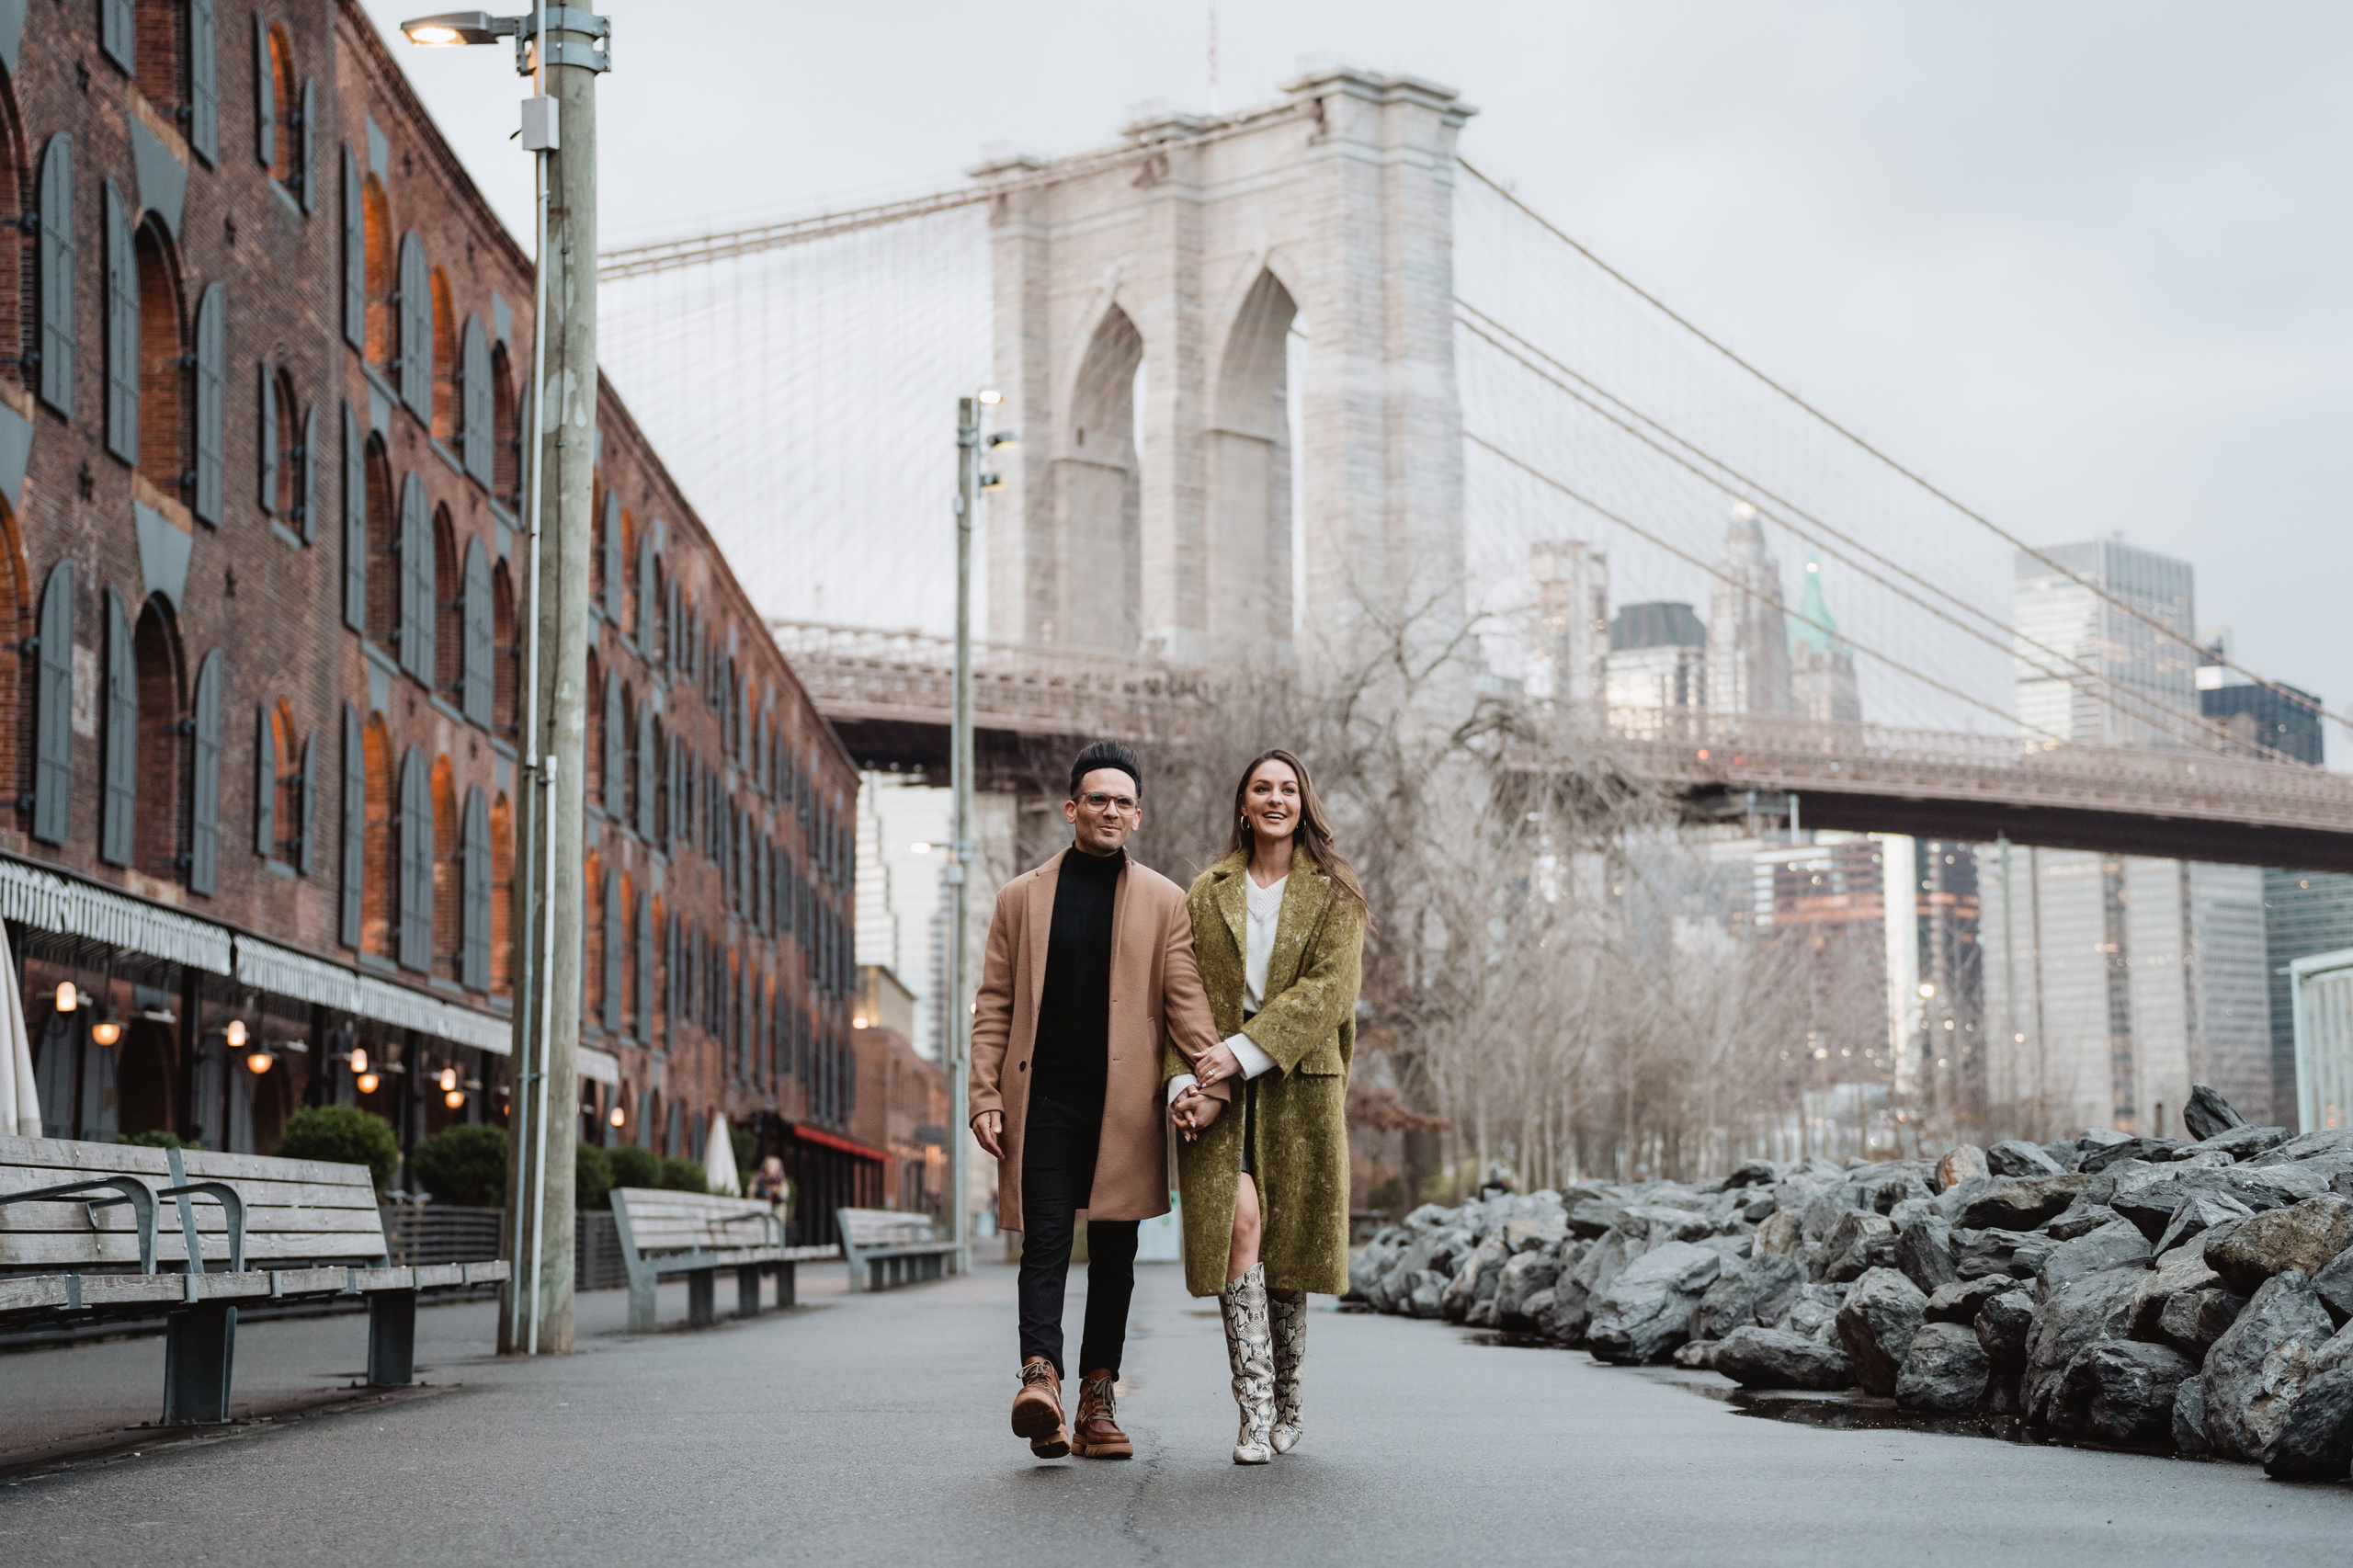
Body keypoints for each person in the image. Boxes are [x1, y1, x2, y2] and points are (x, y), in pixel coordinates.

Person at [969, 740, 1230, 1460]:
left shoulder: (1165, 901)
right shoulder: (1020, 898)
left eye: (1122, 801)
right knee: (1046, 1242)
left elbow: (1185, 1003)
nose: (1109, 810)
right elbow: (992, 1005)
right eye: (1097, 799)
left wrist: (1218, 1077)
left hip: (1127, 1107)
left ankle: (1097, 1399)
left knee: (1115, 1254)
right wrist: (984, 1096)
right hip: (1043, 1099)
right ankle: (1040, 1382)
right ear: (1071, 808)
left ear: (1137, 816)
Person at [1167, 748, 1367, 1463]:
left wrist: (1244, 1048)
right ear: (1243, 806)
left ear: (1302, 803)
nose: (1275, 799)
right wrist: (1185, 1081)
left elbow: (1329, 993)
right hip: (1220, 1086)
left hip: (1300, 1082)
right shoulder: (1205, 890)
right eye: (1262, 788)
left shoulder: (1336, 893)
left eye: (1288, 789)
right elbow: (1179, 996)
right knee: (1240, 1225)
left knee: (1286, 1256)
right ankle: (1253, 1414)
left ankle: (1290, 1400)